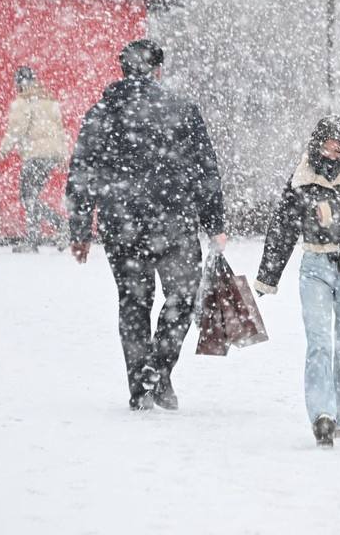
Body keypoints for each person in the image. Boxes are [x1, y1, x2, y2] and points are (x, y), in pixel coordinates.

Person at [66, 39, 227, 412]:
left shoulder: (102, 112)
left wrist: (80, 230)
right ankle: (160, 366)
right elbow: (206, 169)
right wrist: (214, 221)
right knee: (182, 299)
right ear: (158, 70)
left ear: (123, 69)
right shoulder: (182, 110)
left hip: (122, 225)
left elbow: (82, 173)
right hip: (175, 223)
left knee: (134, 303)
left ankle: (141, 386)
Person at [254, 116, 340, 447]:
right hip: (314, 264)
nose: (332, 152)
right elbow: (283, 227)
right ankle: (322, 416)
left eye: (339, 146)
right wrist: (268, 276)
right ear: (317, 144)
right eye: (327, 144)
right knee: (319, 343)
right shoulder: (302, 177)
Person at [0, 66, 69, 252]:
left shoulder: (24, 102)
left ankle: (57, 227)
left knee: (27, 197)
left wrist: (4, 149)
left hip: (35, 155)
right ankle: (39, 236)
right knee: (32, 197)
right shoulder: (49, 99)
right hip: (51, 155)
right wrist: (63, 155)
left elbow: (17, 128)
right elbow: (60, 130)